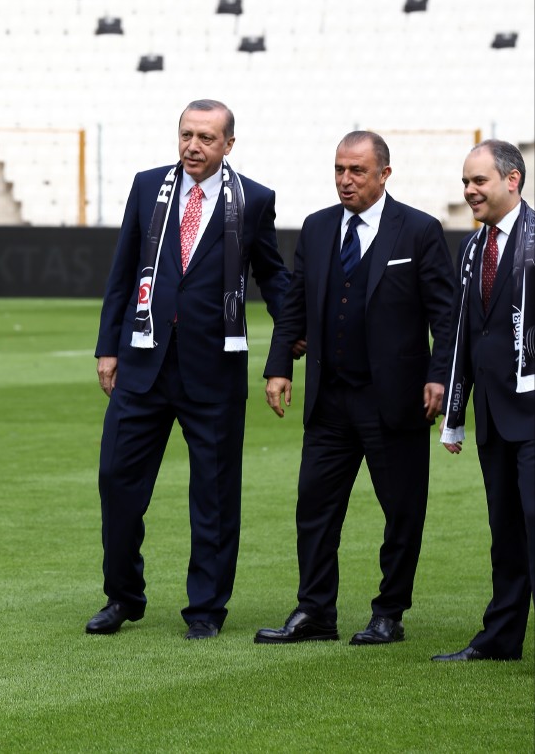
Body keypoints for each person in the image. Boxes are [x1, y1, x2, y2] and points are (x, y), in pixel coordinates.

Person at [86, 99, 290, 640]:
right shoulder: (147, 186)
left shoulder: (254, 200)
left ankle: (206, 610)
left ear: (228, 144)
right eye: (186, 135)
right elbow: (123, 271)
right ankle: (122, 596)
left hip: (214, 370)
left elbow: (272, 275)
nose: (193, 146)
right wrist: (108, 347)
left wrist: (293, 334)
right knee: (116, 481)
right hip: (143, 362)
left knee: (215, 497)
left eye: (206, 138)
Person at [254, 131, 455, 646]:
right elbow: (295, 303)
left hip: (396, 399)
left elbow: (446, 315)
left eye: (357, 171)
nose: (345, 180)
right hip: (330, 399)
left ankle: (389, 613)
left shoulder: (419, 230)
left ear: (384, 174)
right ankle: (315, 611)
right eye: (339, 169)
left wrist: (440, 377)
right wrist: (279, 366)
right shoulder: (318, 227)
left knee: (402, 511)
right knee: (314, 508)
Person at [432, 139, 534, 662]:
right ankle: (500, 640)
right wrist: (455, 413)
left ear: (512, 180)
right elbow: (465, 335)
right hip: (493, 417)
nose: (469, 191)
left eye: (479, 181)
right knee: (506, 533)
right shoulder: (473, 248)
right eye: (465, 182)